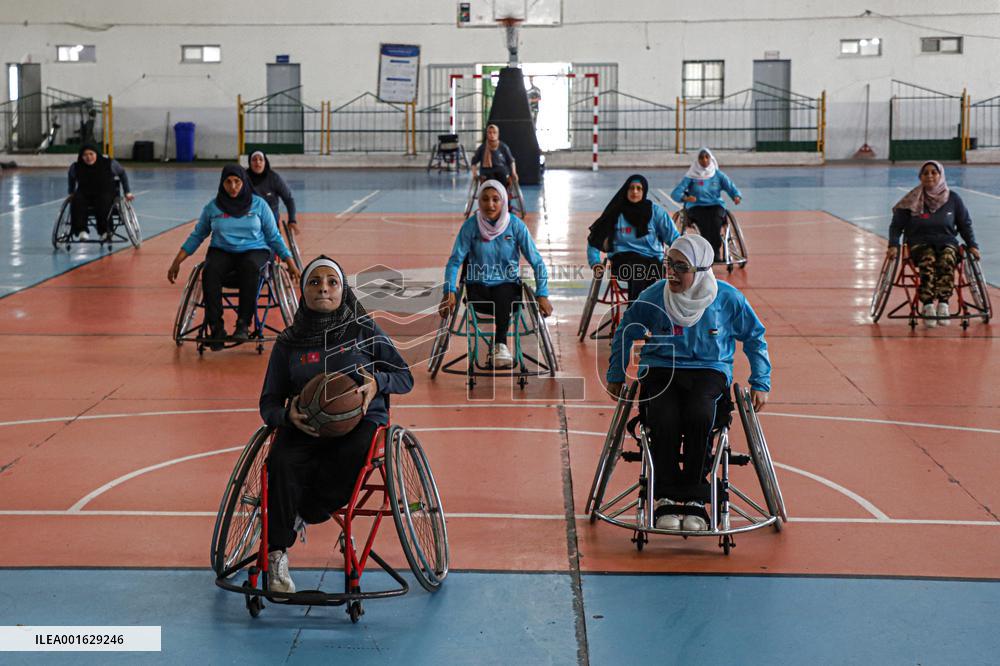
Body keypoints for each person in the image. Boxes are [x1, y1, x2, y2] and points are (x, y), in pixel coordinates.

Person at [259, 256, 414, 595]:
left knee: (354, 453)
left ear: (343, 290)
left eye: (332, 282)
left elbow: (405, 377)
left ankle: (306, 510)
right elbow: (268, 402)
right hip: (307, 424)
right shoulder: (289, 341)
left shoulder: (364, 329)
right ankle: (277, 554)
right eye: (315, 282)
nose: (323, 288)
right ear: (303, 291)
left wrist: (377, 383)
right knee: (281, 462)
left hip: (360, 421)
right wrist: (287, 416)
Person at [605, 235, 770, 532]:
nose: (671, 273)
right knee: (662, 418)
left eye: (680, 267)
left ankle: (695, 499)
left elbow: (755, 336)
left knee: (699, 415)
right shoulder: (655, 295)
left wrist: (761, 380)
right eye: (668, 264)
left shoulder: (727, 299)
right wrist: (616, 373)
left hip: (709, 370)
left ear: (702, 270)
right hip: (661, 367)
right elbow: (625, 331)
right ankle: (666, 496)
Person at [166, 165, 300, 350]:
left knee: (250, 266)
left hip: (255, 249)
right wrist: (177, 261)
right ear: (222, 184)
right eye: (228, 182)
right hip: (222, 250)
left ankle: (243, 324)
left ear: (244, 182)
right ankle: (216, 328)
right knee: (210, 270)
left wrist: (290, 262)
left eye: (237, 181)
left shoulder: (259, 204)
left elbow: (274, 237)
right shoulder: (213, 207)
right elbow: (197, 236)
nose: (233, 186)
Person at [439, 179, 552, 369]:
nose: (490, 204)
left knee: (504, 293)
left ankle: (501, 345)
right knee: (496, 294)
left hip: (506, 286)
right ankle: (497, 347)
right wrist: (448, 291)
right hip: (477, 288)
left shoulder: (515, 226)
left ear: (504, 201)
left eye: (495, 199)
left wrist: (542, 294)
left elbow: (537, 262)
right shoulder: (471, 226)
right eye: (485, 199)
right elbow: (455, 261)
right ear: (479, 202)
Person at [887, 161, 979, 327]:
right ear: (920, 177)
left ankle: (943, 303)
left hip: (947, 242)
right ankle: (928, 304)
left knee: (947, 258)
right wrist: (893, 244)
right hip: (919, 243)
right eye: (925, 173)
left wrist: (972, 245)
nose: (929, 176)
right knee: (928, 259)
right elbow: (896, 226)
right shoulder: (910, 199)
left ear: (940, 175)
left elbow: (965, 224)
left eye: (933, 172)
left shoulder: (953, 199)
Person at [587, 174, 681, 302]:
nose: (635, 192)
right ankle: (637, 312)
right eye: (631, 188)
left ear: (644, 191)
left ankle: (639, 310)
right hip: (622, 262)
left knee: (646, 271)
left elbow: (675, 239)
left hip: (653, 262)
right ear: (626, 190)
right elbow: (595, 240)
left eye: (639, 188)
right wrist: (595, 263)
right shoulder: (615, 213)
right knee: (638, 269)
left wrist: (681, 258)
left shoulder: (656, 212)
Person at [670, 148, 742, 261]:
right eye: (701, 157)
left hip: (715, 205)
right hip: (696, 206)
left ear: (711, 158)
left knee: (715, 221)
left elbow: (730, 186)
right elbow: (675, 193)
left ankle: (715, 251)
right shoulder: (691, 176)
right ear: (697, 160)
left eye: (706, 157)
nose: (704, 160)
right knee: (704, 222)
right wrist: (685, 197)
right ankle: (708, 252)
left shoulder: (718, 175)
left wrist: (736, 196)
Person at [66, 143, 133, 242]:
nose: (88, 157)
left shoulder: (109, 163)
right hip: (85, 193)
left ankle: (105, 231)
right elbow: (71, 178)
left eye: (91, 154)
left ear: (96, 153)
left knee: (103, 201)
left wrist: (127, 192)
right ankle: (82, 231)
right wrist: (71, 192)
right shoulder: (76, 167)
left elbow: (122, 174)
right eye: (85, 155)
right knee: (77, 200)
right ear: (81, 156)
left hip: (106, 192)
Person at [247, 150, 298, 235]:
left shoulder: (274, 178)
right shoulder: (243, 178)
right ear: (250, 162)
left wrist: (292, 220)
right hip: (250, 222)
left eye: (260, 159)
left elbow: (289, 199)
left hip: (271, 222)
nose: (257, 162)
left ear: (265, 162)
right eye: (254, 159)